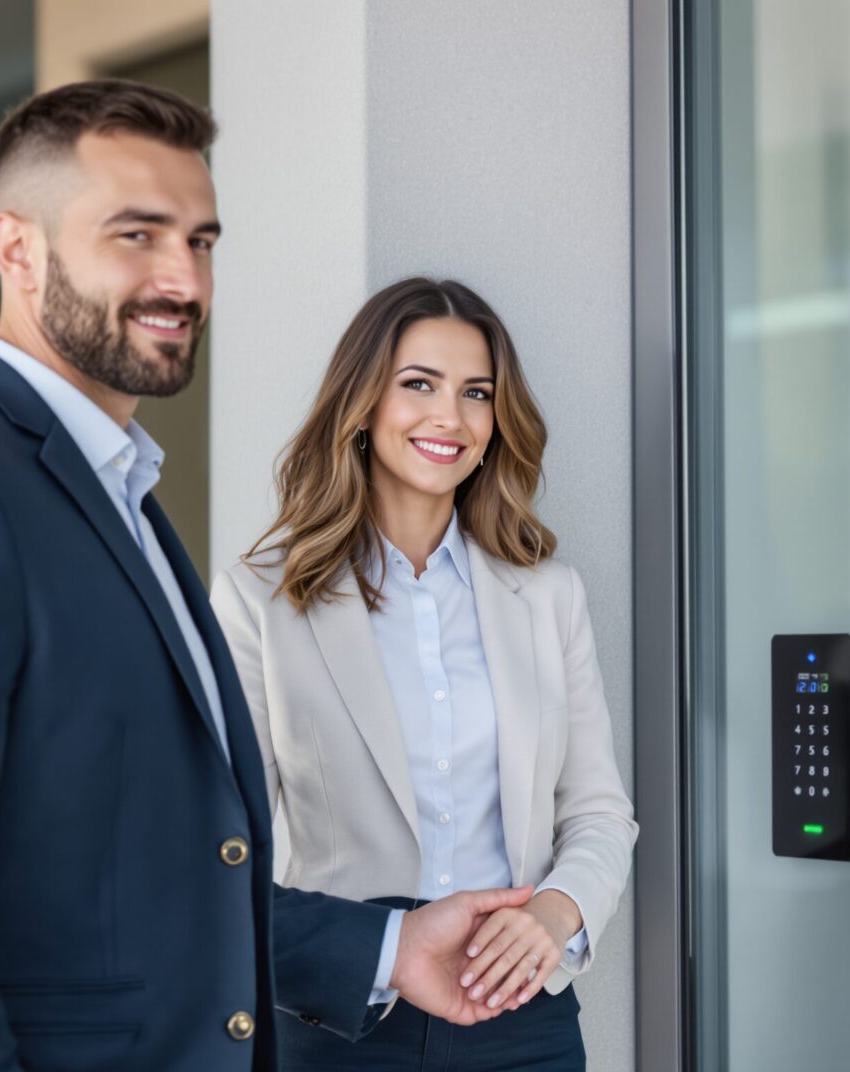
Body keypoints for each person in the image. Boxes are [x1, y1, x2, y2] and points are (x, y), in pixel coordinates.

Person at [0, 82, 527, 1072]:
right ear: (17, 249)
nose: (182, 279)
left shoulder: (120, 494)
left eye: (202, 242)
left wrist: (387, 947)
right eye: (136, 236)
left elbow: (155, 875)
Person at [211, 278, 638, 1071]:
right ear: (364, 404)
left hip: (523, 1019)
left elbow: (599, 811)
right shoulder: (258, 602)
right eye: (419, 385)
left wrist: (554, 910)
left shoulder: (548, 595)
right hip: (341, 1023)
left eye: (476, 393)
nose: (451, 416)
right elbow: (217, 848)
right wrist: (382, 947)